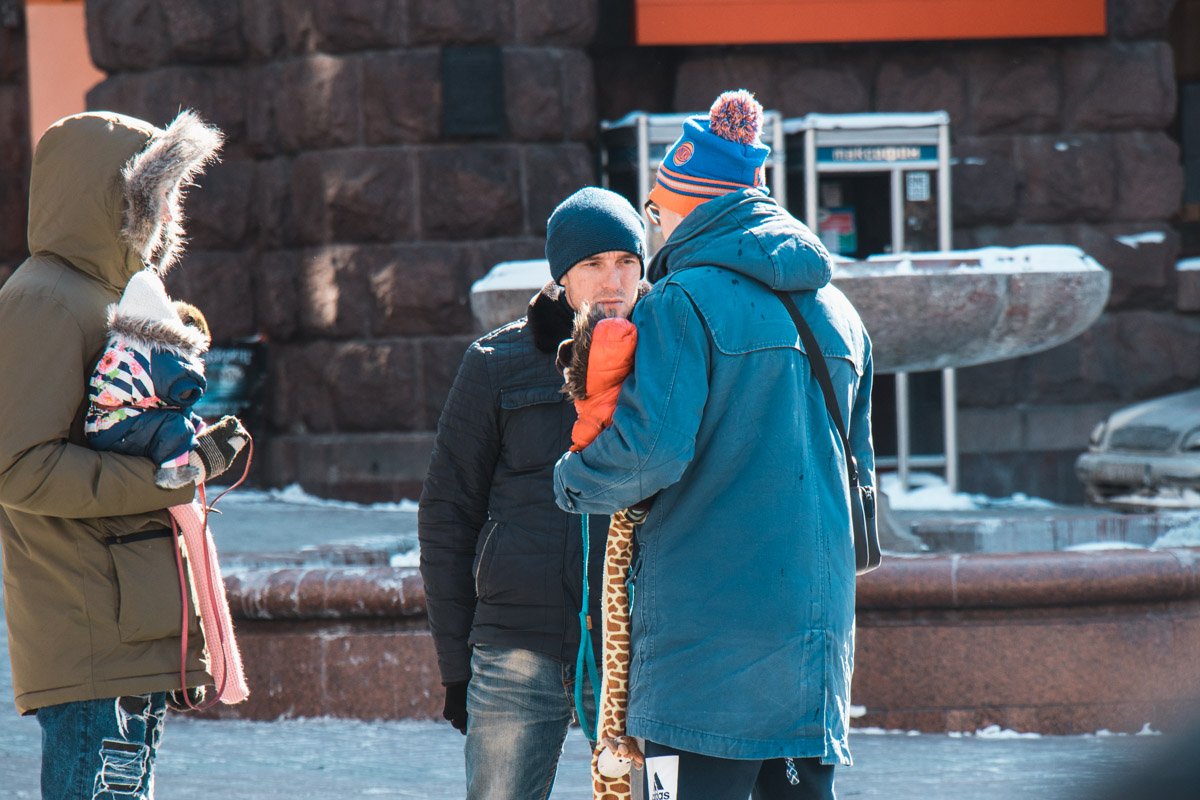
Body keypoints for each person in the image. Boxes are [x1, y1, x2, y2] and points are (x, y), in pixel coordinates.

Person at [553, 90, 875, 800]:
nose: (654, 230)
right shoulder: (841, 313)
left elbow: (649, 455)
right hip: (814, 650)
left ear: (687, 209)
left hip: (703, 664)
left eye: (657, 212)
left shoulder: (681, 301)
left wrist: (572, 479)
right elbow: (861, 473)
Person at [0, 110, 248, 799]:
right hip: (91, 630)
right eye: (155, 193)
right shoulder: (44, 299)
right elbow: (18, 468)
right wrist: (172, 478)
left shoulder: (104, 295)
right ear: (114, 196)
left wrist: (191, 450)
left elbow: (111, 427)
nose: (169, 212)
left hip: (124, 627)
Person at [419, 186, 647, 799]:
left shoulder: (668, 356)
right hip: (516, 642)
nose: (612, 281)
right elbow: (448, 515)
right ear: (562, 278)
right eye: (593, 265)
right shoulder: (495, 363)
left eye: (626, 262)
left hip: (641, 646)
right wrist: (456, 668)